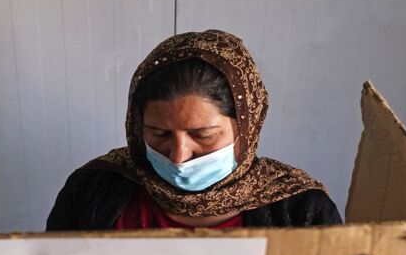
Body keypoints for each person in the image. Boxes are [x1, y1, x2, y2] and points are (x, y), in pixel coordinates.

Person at [46, 29, 342, 231]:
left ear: (246, 129)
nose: (178, 156)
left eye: (203, 135)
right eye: (158, 134)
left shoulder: (301, 211)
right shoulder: (91, 191)